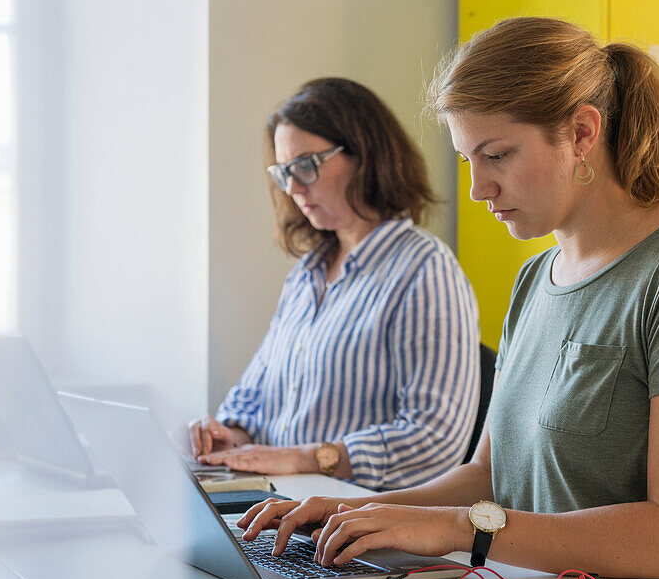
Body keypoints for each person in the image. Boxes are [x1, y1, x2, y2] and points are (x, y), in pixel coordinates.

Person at [237, 18, 659, 579]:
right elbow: (489, 474)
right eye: (467, 159)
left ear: (582, 133)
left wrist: (460, 530)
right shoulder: (537, 278)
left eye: (498, 156)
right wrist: (359, 513)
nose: (479, 188)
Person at [190, 78, 480, 491]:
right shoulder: (307, 274)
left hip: (352, 525)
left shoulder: (424, 270)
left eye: (306, 165)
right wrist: (228, 438)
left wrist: (309, 459)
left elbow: (434, 440)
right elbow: (252, 405)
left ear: (365, 155)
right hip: (280, 507)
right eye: (283, 172)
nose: (292, 188)